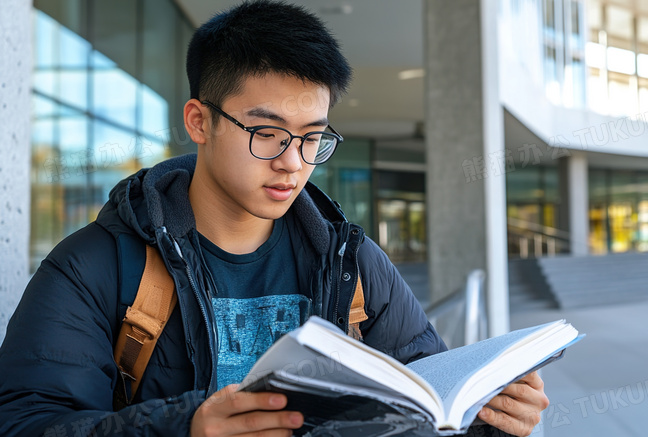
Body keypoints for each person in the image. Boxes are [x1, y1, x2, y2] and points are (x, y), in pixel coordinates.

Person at [0, 1, 549, 436]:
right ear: (199, 121)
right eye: (267, 133)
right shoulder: (93, 265)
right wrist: (184, 427)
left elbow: (427, 399)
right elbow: (26, 422)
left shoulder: (353, 261)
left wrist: (487, 418)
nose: (293, 161)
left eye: (313, 137)